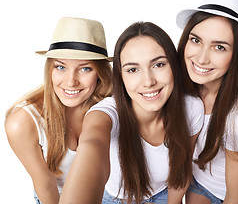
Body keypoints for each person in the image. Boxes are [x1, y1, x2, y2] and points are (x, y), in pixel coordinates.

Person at [62, 21, 204, 204]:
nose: (148, 81)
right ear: (121, 78)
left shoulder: (192, 108)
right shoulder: (106, 113)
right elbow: (92, 144)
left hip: (163, 197)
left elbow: (181, 172)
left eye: (158, 65)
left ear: (174, 67)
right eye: (133, 69)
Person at [4, 17, 112, 203]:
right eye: (61, 67)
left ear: (100, 73)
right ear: (49, 69)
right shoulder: (23, 122)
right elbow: (46, 185)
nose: (71, 81)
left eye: (85, 69)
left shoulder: (110, 103)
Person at [176, 0, 238, 204]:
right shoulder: (179, 87)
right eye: (196, 40)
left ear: (237, 55)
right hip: (196, 181)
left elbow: (235, 197)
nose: (201, 58)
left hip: (226, 195)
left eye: (219, 47)